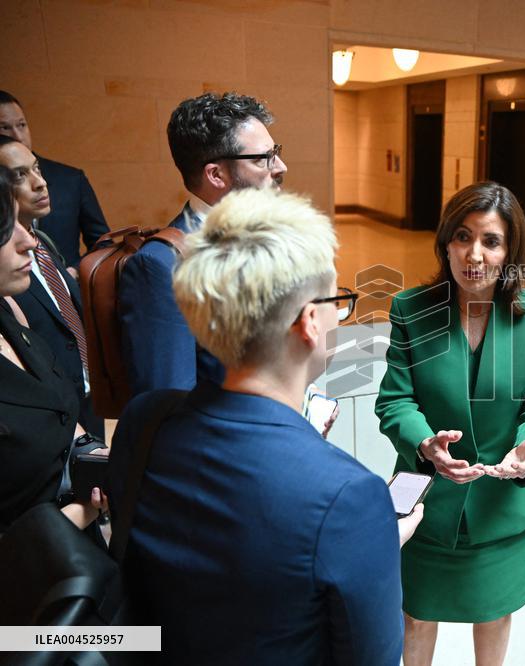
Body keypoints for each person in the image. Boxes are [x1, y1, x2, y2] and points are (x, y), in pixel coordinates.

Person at [107, 188, 413, 663]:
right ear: (310, 322)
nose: (340, 314)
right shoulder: (349, 497)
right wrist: (374, 546)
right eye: (338, 301)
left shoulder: (144, 420)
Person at [375, 181, 525, 666]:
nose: (474, 254)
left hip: (501, 505)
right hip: (427, 502)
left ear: (510, 252)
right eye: (462, 236)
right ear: (446, 243)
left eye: (490, 241)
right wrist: (426, 444)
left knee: (494, 616)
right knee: (416, 617)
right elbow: (395, 401)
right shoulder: (412, 309)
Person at [118, 91, 286, 396]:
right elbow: (169, 402)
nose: (281, 167)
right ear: (216, 174)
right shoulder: (162, 267)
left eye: (275, 152)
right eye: (263, 159)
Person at [0, 164, 105, 534]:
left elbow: (57, 412)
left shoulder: (8, 313)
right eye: (5, 229)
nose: (28, 241)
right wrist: (82, 511)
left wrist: (98, 456)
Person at [0, 136, 103, 437]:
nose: (40, 183)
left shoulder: (43, 243)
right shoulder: (9, 273)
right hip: (47, 420)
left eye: (37, 169)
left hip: (86, 398)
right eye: (20, 175)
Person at [0, 90, 109, 269]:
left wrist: (76, 272)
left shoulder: (71, 178)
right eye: (5, 128)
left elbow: (103, 242)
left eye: (22, 125)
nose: (18, 136)